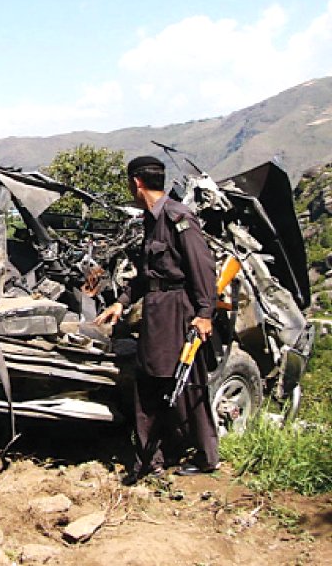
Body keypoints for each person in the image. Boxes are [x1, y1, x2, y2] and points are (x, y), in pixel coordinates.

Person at [95, 155, 219, 484]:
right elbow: (144, 274)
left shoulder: (179, 217)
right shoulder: (151, 220)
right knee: (150, 381)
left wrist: (205, 314)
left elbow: (203, 268)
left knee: (185, 383)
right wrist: (121, 302)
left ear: (136, 182)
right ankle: (151, 459)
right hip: (155, 310)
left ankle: (206, 457)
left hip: (179, 310)